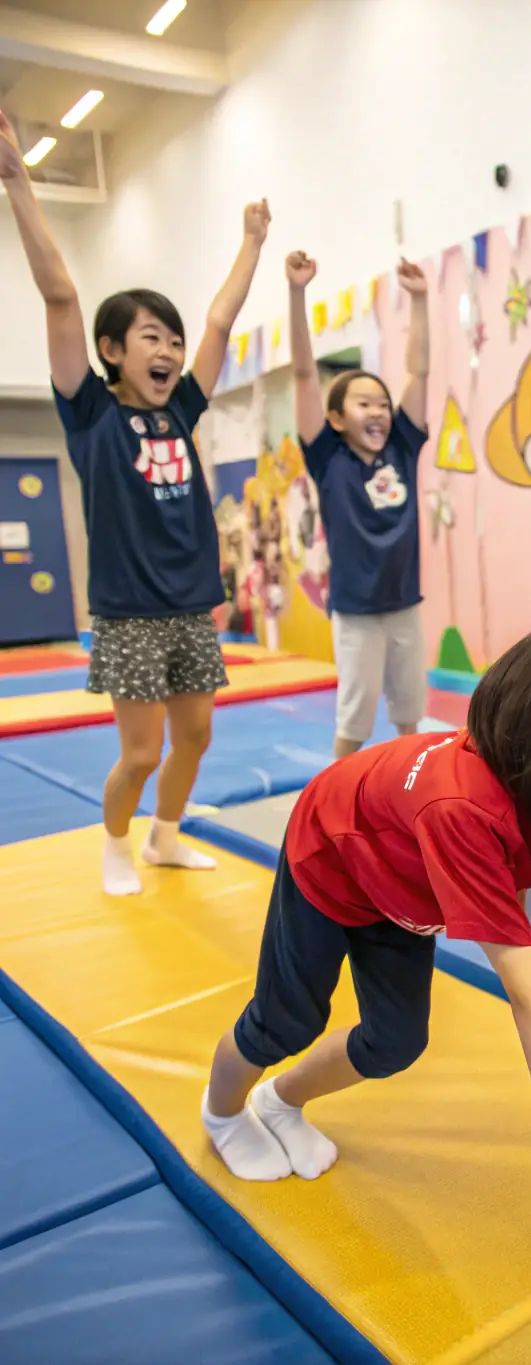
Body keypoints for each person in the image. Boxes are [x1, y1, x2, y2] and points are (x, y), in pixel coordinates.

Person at [201, 621, 531, 1247]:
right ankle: (221, 1115)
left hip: (402, 886)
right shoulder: (465, 810)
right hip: (333, 850)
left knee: (396, 1040)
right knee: (286, 1021)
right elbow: (529, 996)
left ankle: (278, 1101)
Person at [0, 109, 271, 896]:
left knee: (195, 737)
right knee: (143, 751)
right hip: (127, 610)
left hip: (190, 602)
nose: (170, 351)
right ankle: (115, 842)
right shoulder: (91, 413)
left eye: (173, 340)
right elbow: (59, 297)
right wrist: (20, 183)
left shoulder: (181, 409)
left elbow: (221, 320)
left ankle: (165, 834)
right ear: (113, 350)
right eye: (150, 337)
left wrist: (250, 241)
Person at [287, 249, 430, 759]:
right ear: (336, 418)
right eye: (363, 403)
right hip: (357, 613)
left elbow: (420, 370)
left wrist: (419, 300)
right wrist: (297, 293)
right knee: (356, 714)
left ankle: (409, 785)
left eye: (382, 404)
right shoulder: (328, 459)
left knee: (410, 711)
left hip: (405, 604)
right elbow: (305, 375)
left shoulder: (403, 448)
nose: (378, 412)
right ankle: (337, 794)